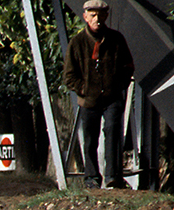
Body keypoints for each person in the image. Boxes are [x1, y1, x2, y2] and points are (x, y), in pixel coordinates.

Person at [64, 0, 135, 189]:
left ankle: (113, 176)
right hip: (89, 100)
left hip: (112, 98)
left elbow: (128, 66)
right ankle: (91, 178)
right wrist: (84, 89)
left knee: (113, 132)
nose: (97, 19)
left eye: (101, 15)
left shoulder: (116, 39)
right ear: (85, 16)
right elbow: (69, 76)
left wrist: (118, 86)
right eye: (93, 15)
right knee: (90, 140)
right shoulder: (77, 42)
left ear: (106, 16)